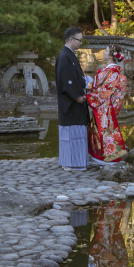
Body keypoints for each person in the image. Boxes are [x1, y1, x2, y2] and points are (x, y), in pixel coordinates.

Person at [86, 44, 128, 164]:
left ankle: (107, 159)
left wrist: (89, 97)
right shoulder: (110, 71)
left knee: (104, 132)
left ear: (111, 56)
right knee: (104, 132)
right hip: (105, 106)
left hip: (105, 107)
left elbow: (105, 91)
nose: (103, 52)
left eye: (106, 51)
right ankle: (104, 158)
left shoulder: (112, 72)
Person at [55, 27, 89, 172]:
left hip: (75, 102)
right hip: (70, 102)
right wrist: (76, 96)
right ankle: (71, 163)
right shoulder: (64, 56)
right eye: (79, 40)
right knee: (71, 133)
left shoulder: (70, 55)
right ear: (71, 39)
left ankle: (76, 162)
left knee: (77, 133)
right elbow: (66, 80)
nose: (81, 42)